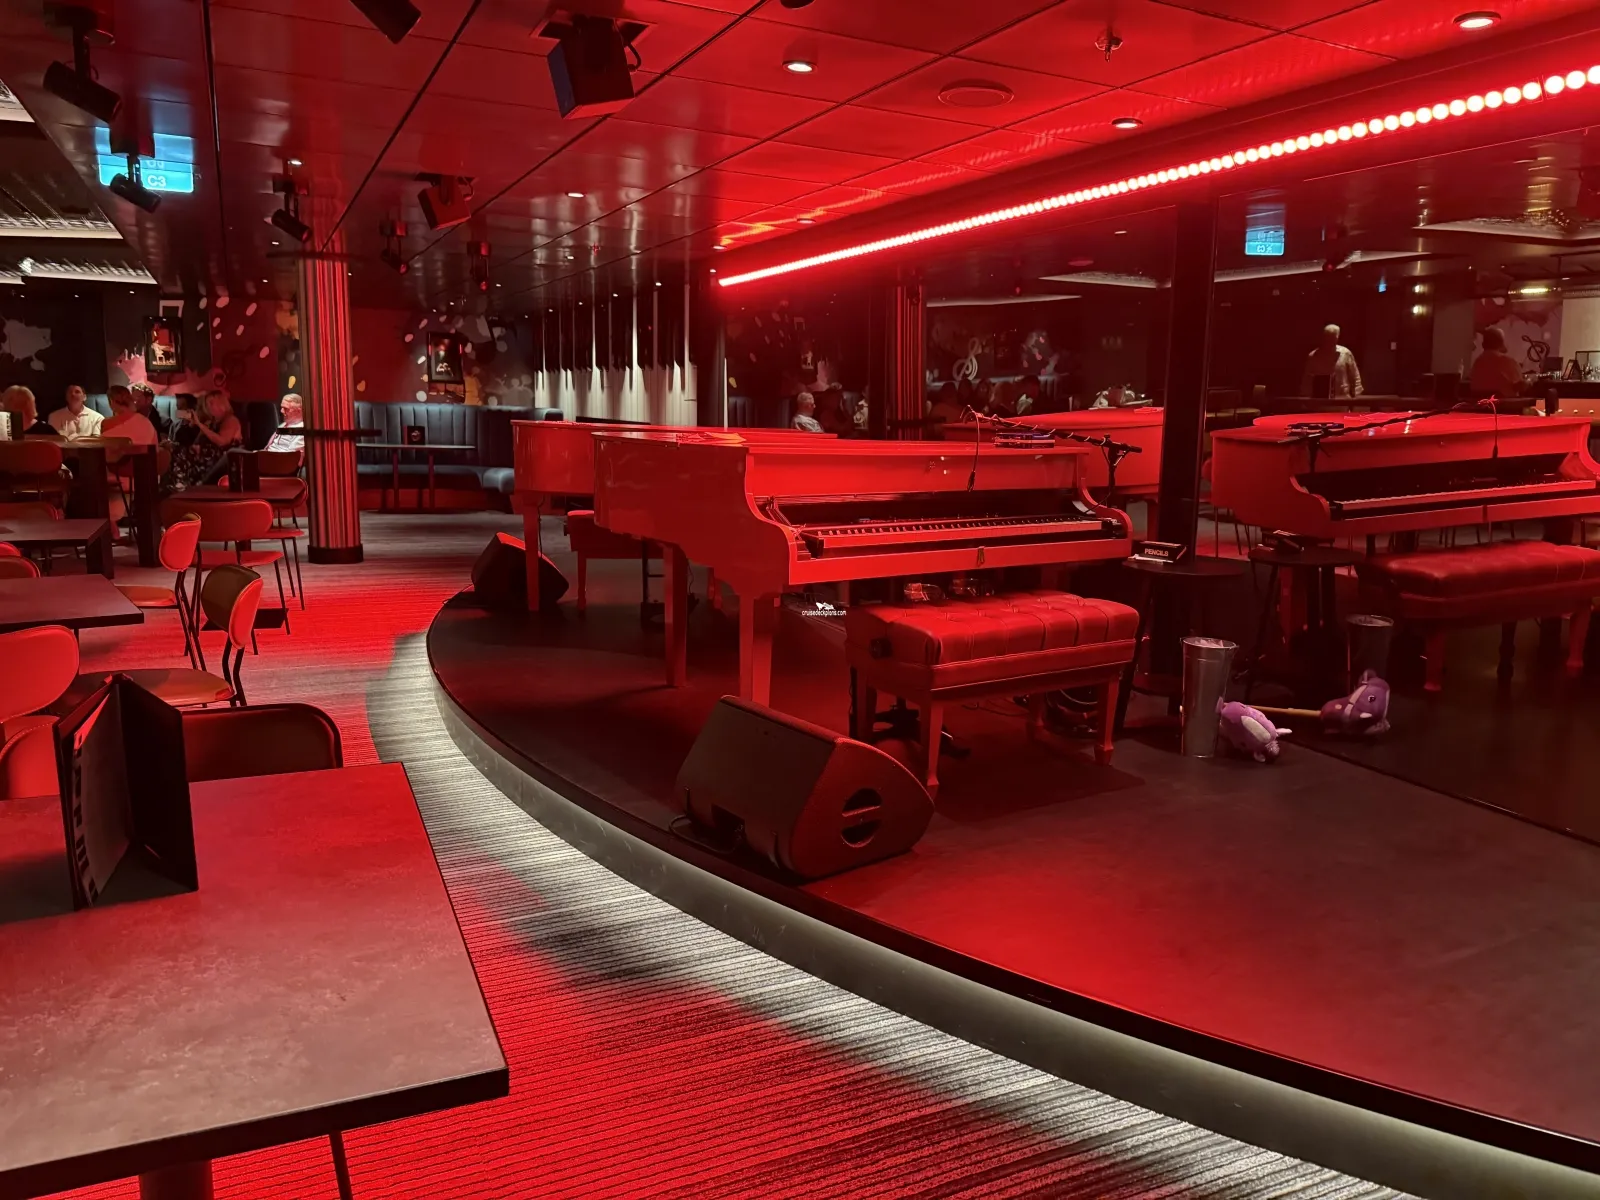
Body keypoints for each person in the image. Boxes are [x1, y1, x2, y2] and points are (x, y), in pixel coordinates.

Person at [163, 389, 241, 491]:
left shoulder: (230, 420)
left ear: (221, 404)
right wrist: (194, 426)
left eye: (211, 403)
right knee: (174, 451)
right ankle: (174, 487)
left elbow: (222, 442)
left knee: (180, 455)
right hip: (204, 456)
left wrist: (200, 425)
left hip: (217, 459)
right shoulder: (212, 422)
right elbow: (196, 442)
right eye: (207, 404)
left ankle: (181, 487)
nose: (208, 407)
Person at [1300, 324, 1363, 399]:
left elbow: (1354, 375)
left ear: (1337, 337)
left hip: (1342, 398)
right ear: (1323, 337)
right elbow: (1307, 379)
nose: (1331, 340)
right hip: (1320, 399)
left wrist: (1356, 395)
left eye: (1333, 337)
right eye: (1328, 337)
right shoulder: (1313, 356)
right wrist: (1306, 397)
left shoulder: (1345, 353)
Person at [1470, 327, 1524, 397]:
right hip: (1505, 402)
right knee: (1536, 400)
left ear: (1483, 344)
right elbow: (1519, 385)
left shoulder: (1477, 362)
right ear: (1501, 343)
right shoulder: (1508, 361)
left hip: (1480, 402)